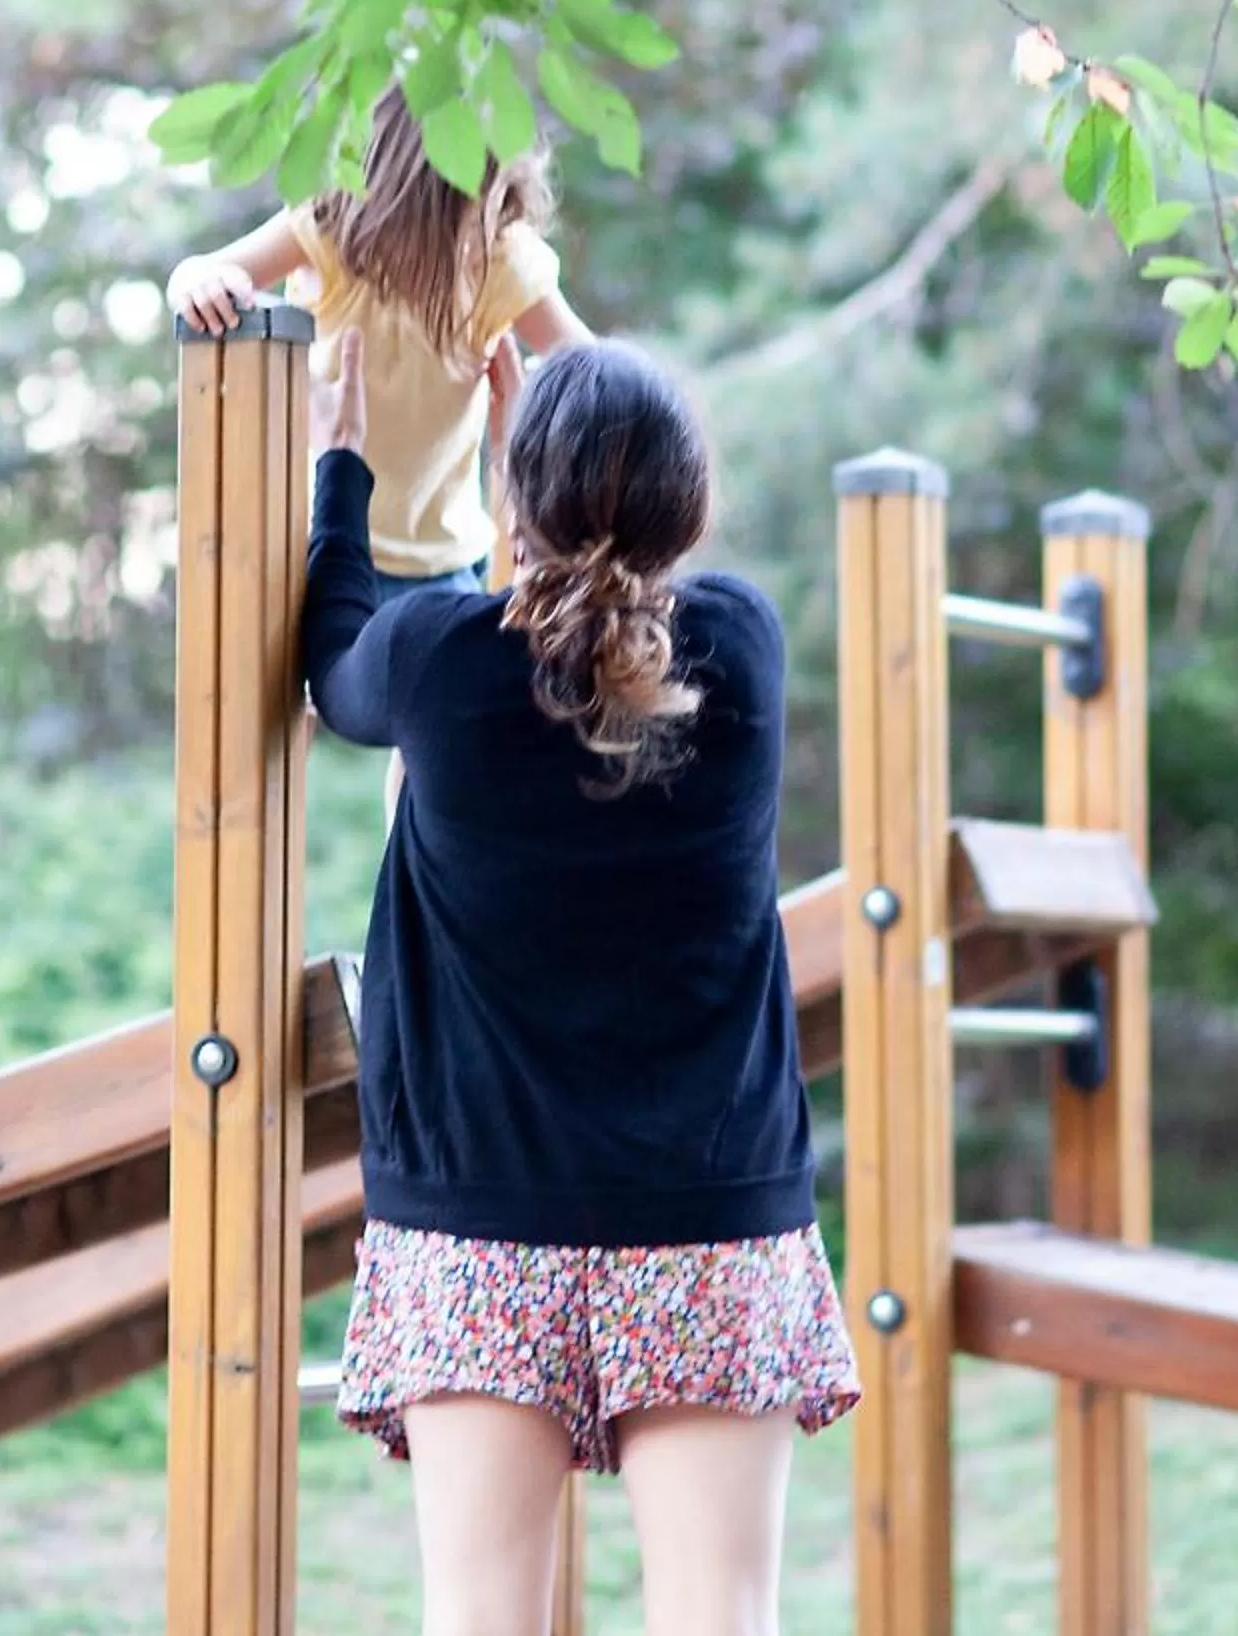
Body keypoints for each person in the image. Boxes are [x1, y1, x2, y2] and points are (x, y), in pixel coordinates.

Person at [298, 334, 857, 1636]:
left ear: (513, 498)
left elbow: (335, 659)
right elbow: (602, 615)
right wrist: (552, 440)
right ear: (692, 501)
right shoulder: (744, 649)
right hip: (709, 1219)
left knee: (480, 1617)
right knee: (719, 1614)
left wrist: (345, 461)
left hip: (480, 1220)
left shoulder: (442, 659)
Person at [165, 88, 597, 605]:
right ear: (398, 200)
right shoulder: (327, 233)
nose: (479, 226)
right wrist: (196, 283)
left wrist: (524, 432)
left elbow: (594, 371)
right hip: (326, 546)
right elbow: (207, 271)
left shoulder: (498, 261)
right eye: (468, 208)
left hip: (447, 562)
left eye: (492, 205)